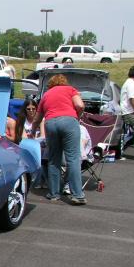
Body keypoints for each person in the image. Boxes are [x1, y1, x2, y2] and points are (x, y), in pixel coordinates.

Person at [32, 74, 86, 205]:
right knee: (73, 159)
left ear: (50, 84)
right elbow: (80, 105)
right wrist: (76, 117)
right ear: (64, 82)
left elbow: (37, 118)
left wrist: (33, 131)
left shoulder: (46, 95)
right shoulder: (70, 90)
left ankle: (54, 194)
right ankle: (77, 195)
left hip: (50, 123)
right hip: (69, 122)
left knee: (53, 159)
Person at [120, 66, 134, 130]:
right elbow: (132, 100)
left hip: (130, 112)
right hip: (129, 113)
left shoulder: (129, 82)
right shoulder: (131, 84)